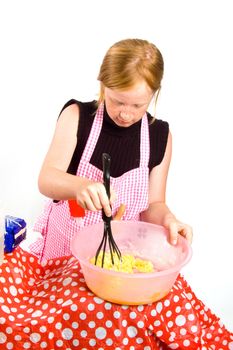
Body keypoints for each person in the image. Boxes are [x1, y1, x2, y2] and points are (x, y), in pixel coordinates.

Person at [0, 38, 232, 349]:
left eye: (138, 104)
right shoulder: (77, 117)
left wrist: (170, 220)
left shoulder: (159, 136)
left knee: (148, 322)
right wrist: (78, 186)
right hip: (63, 256)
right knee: (52, 323)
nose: (125, 114)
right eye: (117, 101)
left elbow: (154, 204)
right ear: (102, 86)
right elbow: (47, 179)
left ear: (154, 94)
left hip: (119, 263)